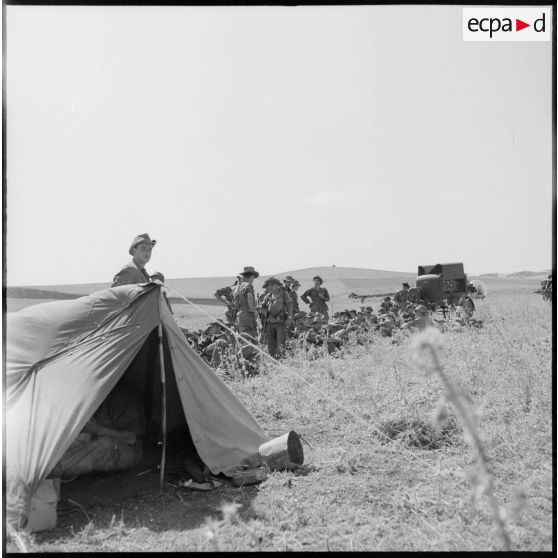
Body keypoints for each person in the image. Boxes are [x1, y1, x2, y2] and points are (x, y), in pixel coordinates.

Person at [261, 277, 293, 359]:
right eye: (269, 285)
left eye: (273, 284)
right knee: (270, 344)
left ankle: (281, 360)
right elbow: (263, 306)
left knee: (280, 343)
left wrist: (289, 317)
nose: (270, 287)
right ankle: (272, 360)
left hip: (281, 323)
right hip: (270, 323)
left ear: (278, 285)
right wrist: (264, 311)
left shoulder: (284, 294)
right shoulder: (268, 296)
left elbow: (290, 305)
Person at [231, 266, 260, 339]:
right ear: (252, 276)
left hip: (238, 315)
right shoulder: (248, 285)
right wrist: (252, 308)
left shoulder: (237, 287)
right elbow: (249, 295)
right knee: (249, 337)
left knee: (243, 337)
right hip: (246, 314)